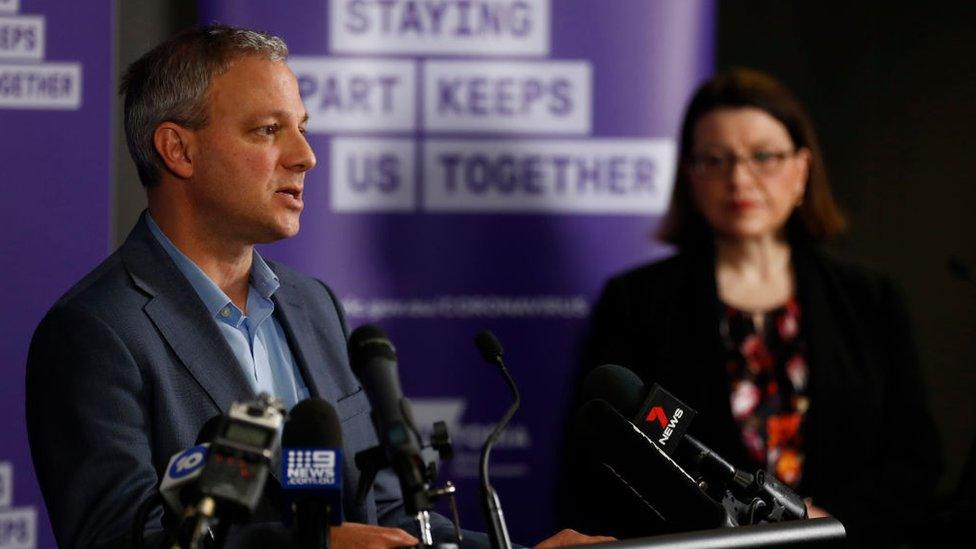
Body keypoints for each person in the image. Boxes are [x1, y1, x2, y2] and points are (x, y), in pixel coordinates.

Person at [25, 25, 610, 549]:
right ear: (179, 149)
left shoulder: (314, 307)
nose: (305, 156)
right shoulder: (96, 332)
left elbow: (389, 518)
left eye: (301, 130)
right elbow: (120, 539)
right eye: (268, 130)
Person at [571, 68, 942, 547]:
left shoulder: (870, 300)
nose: (739, 178)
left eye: (764, 156)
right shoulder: (637, 302)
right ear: (690, 175)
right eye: (715, 159)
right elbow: (600, 461)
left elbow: (915, 461)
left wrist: (824, 521)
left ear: (802, 170)